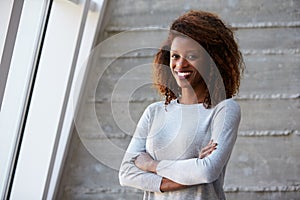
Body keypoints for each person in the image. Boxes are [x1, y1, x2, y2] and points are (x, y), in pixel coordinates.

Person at [119, 10, 244, 200]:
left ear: (213, 61)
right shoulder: (154, 112)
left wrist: (152, 165)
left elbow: (207, 172)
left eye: (192, 56)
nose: (180, 65)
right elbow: (126, 173)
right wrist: (189, 169)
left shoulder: (224, 110)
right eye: (175, 56)